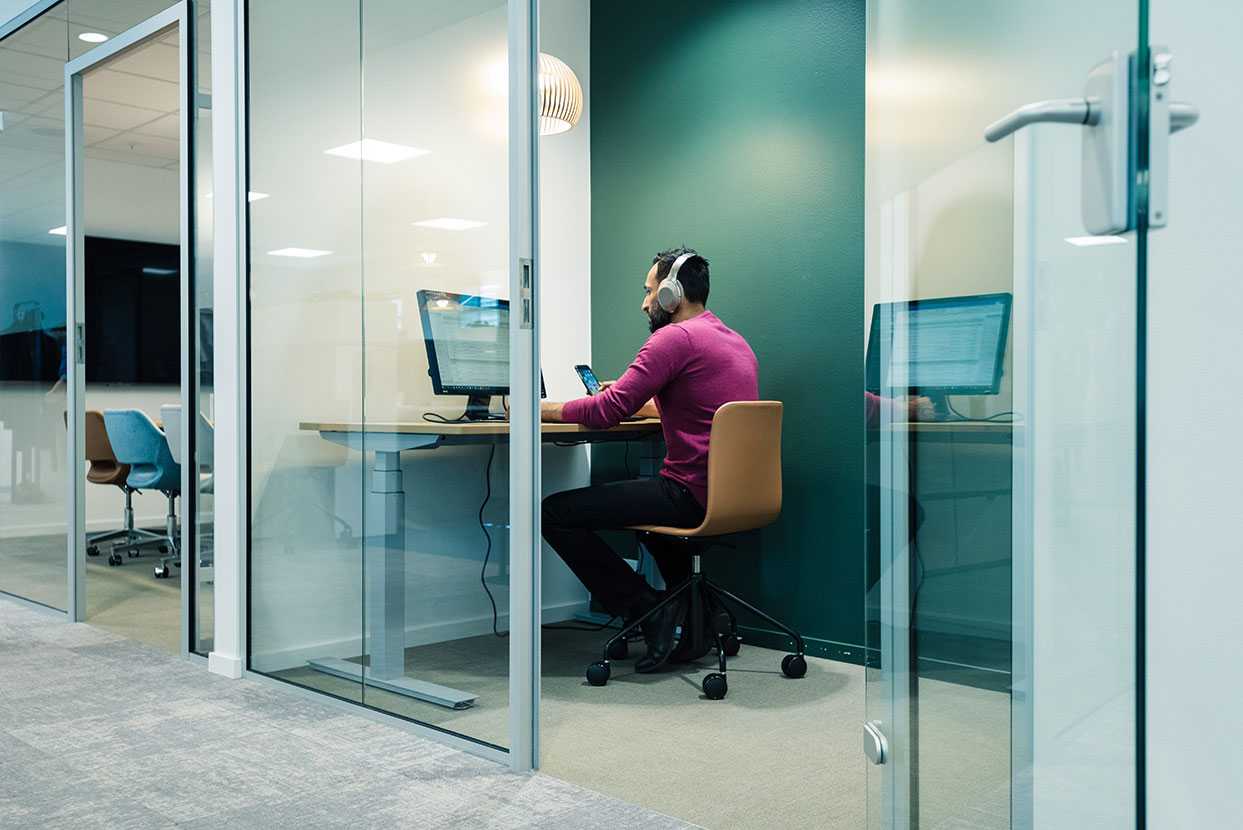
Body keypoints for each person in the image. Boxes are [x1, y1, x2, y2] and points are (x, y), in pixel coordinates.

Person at [540, 247, 758, 673]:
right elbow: (694, 407)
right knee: (655, 531)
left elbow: (605, 413)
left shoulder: (673, 338)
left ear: (671, 293)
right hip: (731, 493)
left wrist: (541, 408)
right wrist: (634, 396)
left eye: (649, 290)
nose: (644, 302)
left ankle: (648, 609)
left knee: (554, 513)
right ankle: (698, 622)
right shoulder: (731, 338)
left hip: (689, 492)